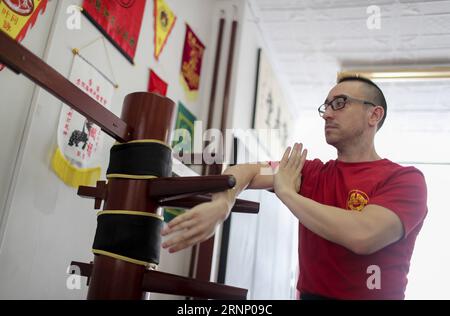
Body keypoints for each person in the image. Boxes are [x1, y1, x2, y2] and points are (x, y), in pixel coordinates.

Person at [161, 76, 428, 300]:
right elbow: (244, 170)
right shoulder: (309, 171)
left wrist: (288, 194)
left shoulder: (405, 180)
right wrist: (222, 204)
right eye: (326, 107)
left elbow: (363, 236)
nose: (328, 114)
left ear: (374, 114)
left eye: (340, 103)